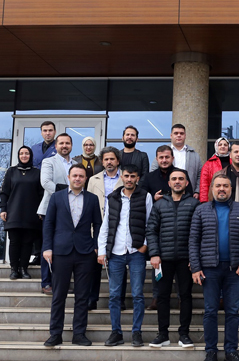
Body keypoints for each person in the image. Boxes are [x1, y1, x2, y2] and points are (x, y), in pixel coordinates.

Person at [189, 174, 239, 361]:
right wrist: (195, 267)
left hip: (234, 270)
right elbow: (193, 241)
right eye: (218, 185)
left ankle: (231, 350)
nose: (221, 189)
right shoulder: (201, 210)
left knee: (233, 311)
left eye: (225, 186)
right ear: (212, 188)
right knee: (210, 310)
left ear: (231, 189)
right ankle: (211, 350)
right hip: (209, 268)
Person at [42, 164, 102, 347]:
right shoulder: (57, 197)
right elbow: (48, 224)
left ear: (85, 179)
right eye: (74, 175)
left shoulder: (92, 199)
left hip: (85, 253)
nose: (77, 179)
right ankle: (55, 334)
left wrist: (97, 246)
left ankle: (79, 334)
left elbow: (98, 224)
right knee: (58, 295)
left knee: (82, 296)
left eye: (81, 176)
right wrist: (47, 248)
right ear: (68, 177)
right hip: (61, 251)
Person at [97, 164, 153, 347]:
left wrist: (145, 245)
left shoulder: (145, 196)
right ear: (122, 176)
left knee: (137, 294)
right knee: (114, 295)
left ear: (137, 178)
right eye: (127, 176)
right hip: (115, 252)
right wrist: (102, 250)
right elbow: (106, 225)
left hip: (136, 251)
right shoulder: (112, 197)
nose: (129, 179)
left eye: (133, 176)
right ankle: (116, 332)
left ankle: (136, 332)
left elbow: (150, 223)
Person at [147, 169, 199, 348]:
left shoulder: (194, 204)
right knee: (162, 296)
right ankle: (163, 334)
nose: (177, 182)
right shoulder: (160, 205)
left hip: (186, 260)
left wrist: (195, 258)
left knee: (185, 295)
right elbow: (151, 230)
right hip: (162, 260)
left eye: (181, 179)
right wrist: (154, 253)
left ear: (186, 183)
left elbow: (199, 233)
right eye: (174, 179)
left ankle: (184, 334)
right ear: (169, 183)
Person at [36, 133, 76, 294]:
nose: (64, 146)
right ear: (56, 146)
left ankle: (62, 282)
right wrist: (66, 196)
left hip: (71, 211)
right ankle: (46, 282)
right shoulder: (48, 161)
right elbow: (45, 182)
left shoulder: (76, 163)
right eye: (61, 143)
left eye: (67, 143)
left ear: (71, 145)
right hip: (51, 209)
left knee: (66, 246)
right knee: (48, 245)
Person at [87, 146, 124, 311]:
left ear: (117, 161)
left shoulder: (126, 178)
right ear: (102, 162)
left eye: (112, 159)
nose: (109, 162)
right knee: (94, 265)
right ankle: (91, 299)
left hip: (119, 226)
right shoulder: (93, 180)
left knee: (118, 264)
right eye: (106, 159)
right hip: (97, 225)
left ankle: (120, 299)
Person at [0, 146, 44, 280]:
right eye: (21, 153)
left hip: (31, 214)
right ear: (18, 156)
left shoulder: (37, 172)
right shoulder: (11, 171)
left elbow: (42, 194)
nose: (24, 156)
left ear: (30, 155)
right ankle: (14, 269)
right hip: (13, 213)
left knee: (27, 243)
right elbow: (4, 192)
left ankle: (24, 269)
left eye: (26, 153)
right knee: (14, 242)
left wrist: (41, 211)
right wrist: (3, 209)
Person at [153, 124, 201, 199]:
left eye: (181, 133)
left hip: (188, 195)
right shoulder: (163, 152)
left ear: (185, 136)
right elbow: (154, 171)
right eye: (176, 133)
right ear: (171, 136)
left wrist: (197, 191)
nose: (179, 135)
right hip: (166, 196)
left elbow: (199, 175)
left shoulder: (194, 155)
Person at [200, 137, 231, 203]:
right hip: (214, 198)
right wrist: (204, 201)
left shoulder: (233, 162)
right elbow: (204, 184)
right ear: (216, 146)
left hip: (231, 198)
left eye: (225, 145)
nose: (223, 147)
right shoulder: (208, 164)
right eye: (220, 145)